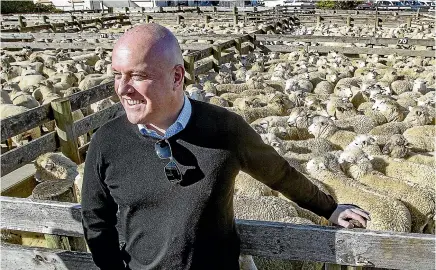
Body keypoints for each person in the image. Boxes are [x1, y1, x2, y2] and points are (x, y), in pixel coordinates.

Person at [81, 23, 370, 270]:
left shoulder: (226, 129)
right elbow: (95, 219)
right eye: (118, 75)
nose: (122, 88)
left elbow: (279, 174)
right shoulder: (107, 141)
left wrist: (329, 208)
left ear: (177, 77)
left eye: (138, 75)